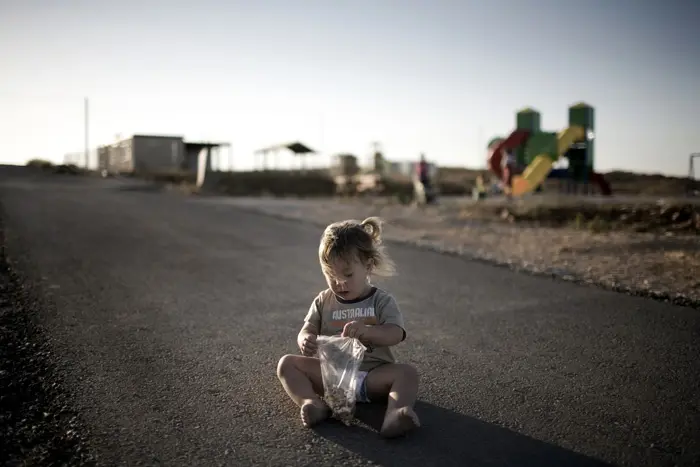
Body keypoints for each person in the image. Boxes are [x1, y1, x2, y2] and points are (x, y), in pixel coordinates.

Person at [276, 217, 420, 438]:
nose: (339, 283)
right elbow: (307, 328)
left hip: (373, 377)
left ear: (368, 266)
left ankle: (394, 415)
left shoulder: (381, 301)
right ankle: (312, 403)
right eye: (331, 275)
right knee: (287, 364)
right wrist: (305, 339)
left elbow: (396, 333)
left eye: (348, 274)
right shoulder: (323, 301)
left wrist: (369, 332)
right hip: (332, 378)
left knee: (407, 374)